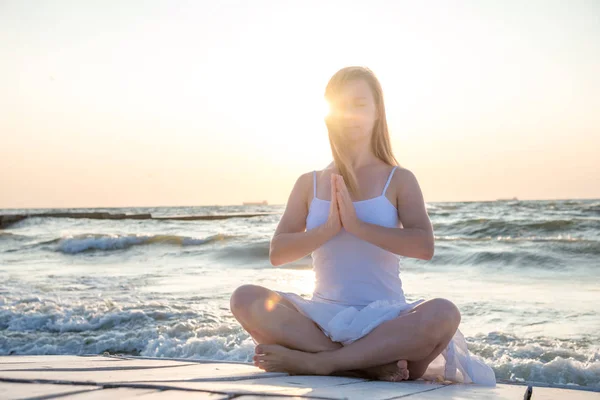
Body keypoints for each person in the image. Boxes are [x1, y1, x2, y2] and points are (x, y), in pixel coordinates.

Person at [230, 66, 496, 385]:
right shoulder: (308, 183)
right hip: (321, 319)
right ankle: (361, 364)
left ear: (376, 111)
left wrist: (357, 226)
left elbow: (424, 246)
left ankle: (324, 363)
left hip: (386, 322)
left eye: (359, 104)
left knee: (444, 313)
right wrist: (327, 230)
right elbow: (278, 253)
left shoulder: (399, 180)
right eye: (341, 106)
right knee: (245, 298)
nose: (350, 114)